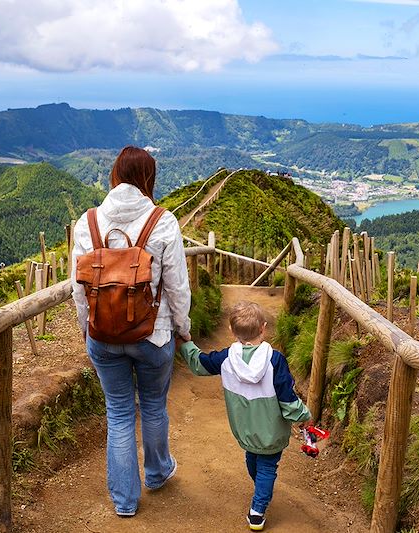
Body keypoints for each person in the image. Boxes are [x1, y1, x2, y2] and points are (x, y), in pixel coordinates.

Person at [71, 146, 192, 517]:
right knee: (153, 406)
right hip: (152, 336)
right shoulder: (163, 222)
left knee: (119, 413)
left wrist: (86, 331)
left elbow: (78, 290)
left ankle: (124, 501)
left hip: (103, 337)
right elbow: (177, 287)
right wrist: (182, 330)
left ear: (114, 175)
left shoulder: (87, 223)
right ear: (148, 179)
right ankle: (156, 473)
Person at [178, 300, 311, 532]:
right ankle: (262, 494)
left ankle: (257, 510)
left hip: (245, 429)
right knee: (265, 467)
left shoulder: (227, 358)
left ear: (231, 331)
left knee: (254, 462)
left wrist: (186, 345)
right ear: (263, 328)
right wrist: (303, 416)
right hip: (271, 432)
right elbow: (287, 398)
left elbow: (201, 364)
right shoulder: (275, 360)